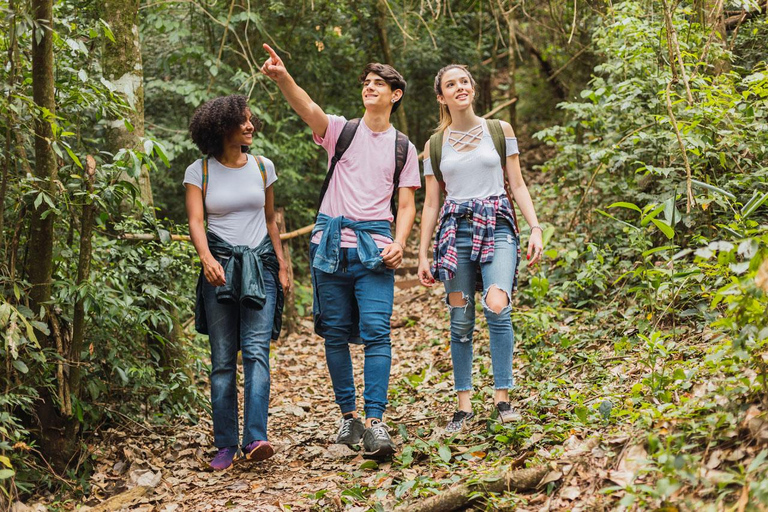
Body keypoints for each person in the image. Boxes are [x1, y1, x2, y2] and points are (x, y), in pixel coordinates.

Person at [260, 44, 420, 459]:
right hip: (330, 249)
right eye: (366, 83)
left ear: (395, 95)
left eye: (378, 84)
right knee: (334, 334)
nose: (369, 87)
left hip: (375, 251)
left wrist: (400, 242)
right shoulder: (342, 131)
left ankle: (375, 421)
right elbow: (309, 108)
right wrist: (283, 78)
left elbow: (405, 204)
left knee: (376, 333)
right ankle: (348, 416)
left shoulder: (404, 147)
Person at [417, 64, 543, 434]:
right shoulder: (433, 146)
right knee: (460, 319)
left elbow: (517, 184)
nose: (460, 88)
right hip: (455, 232)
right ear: (441, 97)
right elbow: (430, 204)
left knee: (497, 303)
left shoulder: (499, 131)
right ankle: (464, 407)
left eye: (464, 82)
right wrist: (423, 254)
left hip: (498, 224)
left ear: (473, 89)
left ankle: (503, 401)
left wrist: (534, 227)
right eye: (450, 85)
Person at [184, 95, 291, 470]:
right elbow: (196, 222)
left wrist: (280, 264)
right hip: (220, 267)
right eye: (242, 121)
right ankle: (226, 444)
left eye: (250, 120)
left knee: (258, 353)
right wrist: (207, 259)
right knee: (223, 361)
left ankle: (256, 437)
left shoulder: (263, 167)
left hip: (260, 265)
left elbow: (269, 219)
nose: (250, 126)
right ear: (221, 127)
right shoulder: (200, 171)